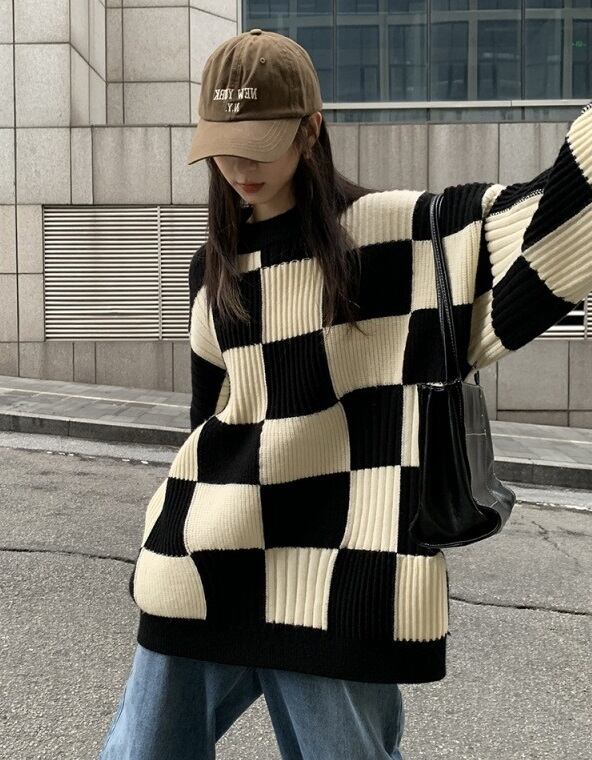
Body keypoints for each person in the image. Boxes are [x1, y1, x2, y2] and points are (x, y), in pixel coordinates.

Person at [98, 28, 592, 760]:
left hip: (344, 576)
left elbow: (551, 222)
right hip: (208, 556)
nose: (239, 167)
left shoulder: (397, 237)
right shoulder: (215, 265)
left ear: (311, 129)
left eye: (260, 144)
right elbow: (207, 421)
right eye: (223, 147)